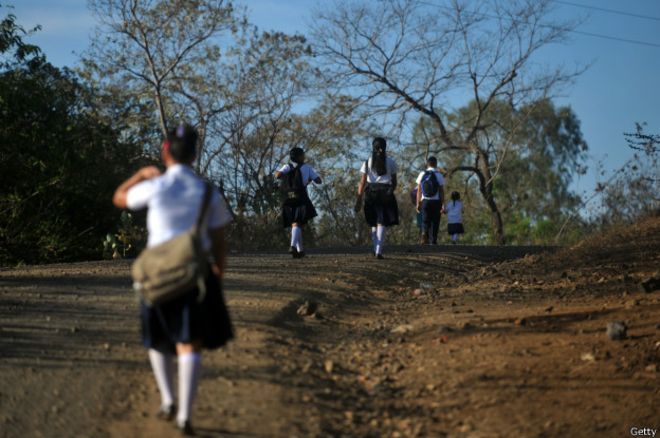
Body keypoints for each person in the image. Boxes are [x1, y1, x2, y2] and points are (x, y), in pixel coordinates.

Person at [113, 123, 233, 435]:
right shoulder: (209, 193)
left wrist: (141, 174)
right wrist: (218, 273)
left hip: (156, 277)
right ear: (195, 155)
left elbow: (120, 198)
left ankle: (167, 400)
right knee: (189, 343)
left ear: (166, 152)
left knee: (158, 339)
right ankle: (185, 416)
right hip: (194, 276)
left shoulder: (156, 187)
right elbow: (219, 241)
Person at [275, 147, 322, 258]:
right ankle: (292, 246)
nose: (304, 156)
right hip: (301, 196)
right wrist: (310, 179)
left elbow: (278, 176)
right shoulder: (307, 168)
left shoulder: (287, 166)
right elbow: (319, 181)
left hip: (288, 197)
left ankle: (300, 251)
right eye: (302, 155)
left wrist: (284, 175)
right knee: (298, 222)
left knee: (295, 224)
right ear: (299, 156)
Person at [357, 137, 399, 259]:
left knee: (373, 222)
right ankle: (378, 251)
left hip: (371, 193)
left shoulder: (367, 162)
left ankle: (375, 248)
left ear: (373, 147)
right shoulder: (391, 162)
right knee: (382, 222)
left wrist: (359, 199)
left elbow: (362, 182)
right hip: (386, 192)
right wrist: (390, 192)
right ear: (385, 147)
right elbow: (394, 182)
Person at [415, 156, 445, 245]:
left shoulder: (422, 174)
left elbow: (419, 190)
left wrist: (418, 203)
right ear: (436, 164)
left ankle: (424, 234)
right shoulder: (439, 175)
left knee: (425, 219)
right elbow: (441, 191)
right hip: (436, 201)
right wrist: (443, 204)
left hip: (425, 201)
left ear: (427, 164)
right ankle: (434, 240)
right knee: (435, 221)